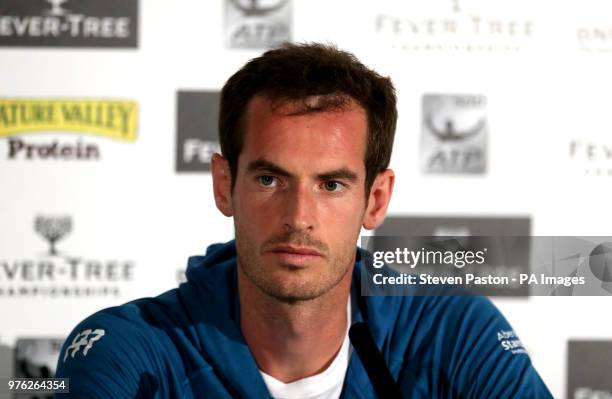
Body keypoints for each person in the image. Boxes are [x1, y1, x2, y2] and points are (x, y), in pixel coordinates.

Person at [55, 43, 552, 398]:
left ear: (375, 199)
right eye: (270, 180)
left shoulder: (452, 333)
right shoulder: (128, 350)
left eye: (331, 185)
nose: (299, 218)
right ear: (225, 185)